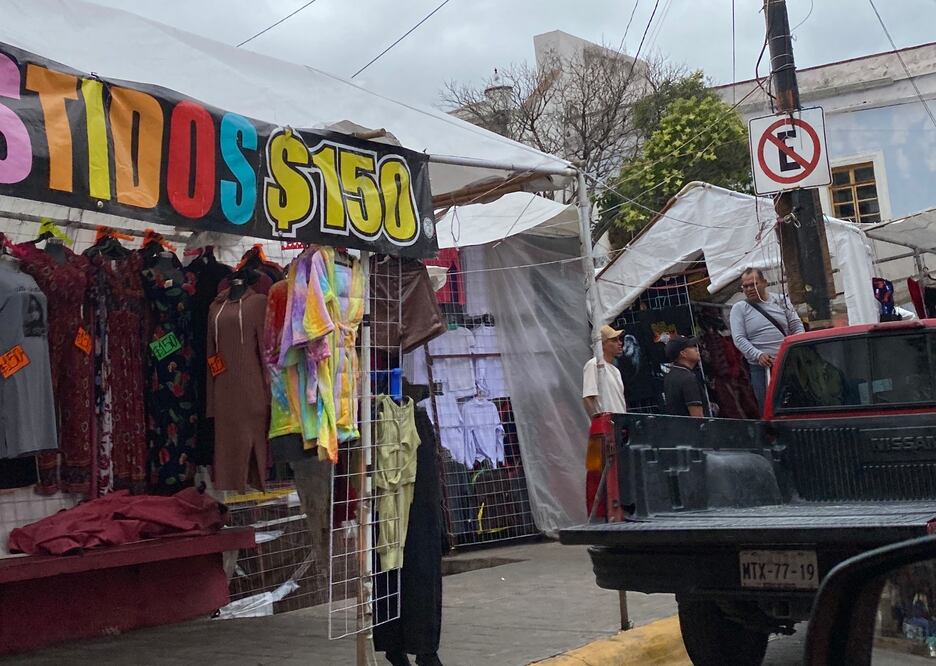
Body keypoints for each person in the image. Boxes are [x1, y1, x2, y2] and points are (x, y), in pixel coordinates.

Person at [729, 267, 805, 413]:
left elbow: (796, 325)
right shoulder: (739, 309)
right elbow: (739, 338)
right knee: (769, 407)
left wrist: (797, 346)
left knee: (797, 402)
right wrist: (758, 355)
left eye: (753, 284)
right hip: (762, 368)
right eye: (745, 286)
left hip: (788, 363)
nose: (749, 289)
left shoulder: (781, 300)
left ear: (764, 283)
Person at [582, 324, 628, 416]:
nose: (620, 343)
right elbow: (588, 398)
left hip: (620, 424)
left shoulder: (616, 371)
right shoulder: (594, 364)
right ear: (602, 344)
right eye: (614, 340)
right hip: (606, 426)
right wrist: (599, 424)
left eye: (619, 339)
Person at [663, 336, 710, 417]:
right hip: (693, 428)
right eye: (692, 347)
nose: (696, 349)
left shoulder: (670, 376)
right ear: (683, 354)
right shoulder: (688, 378)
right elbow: (698, 417)